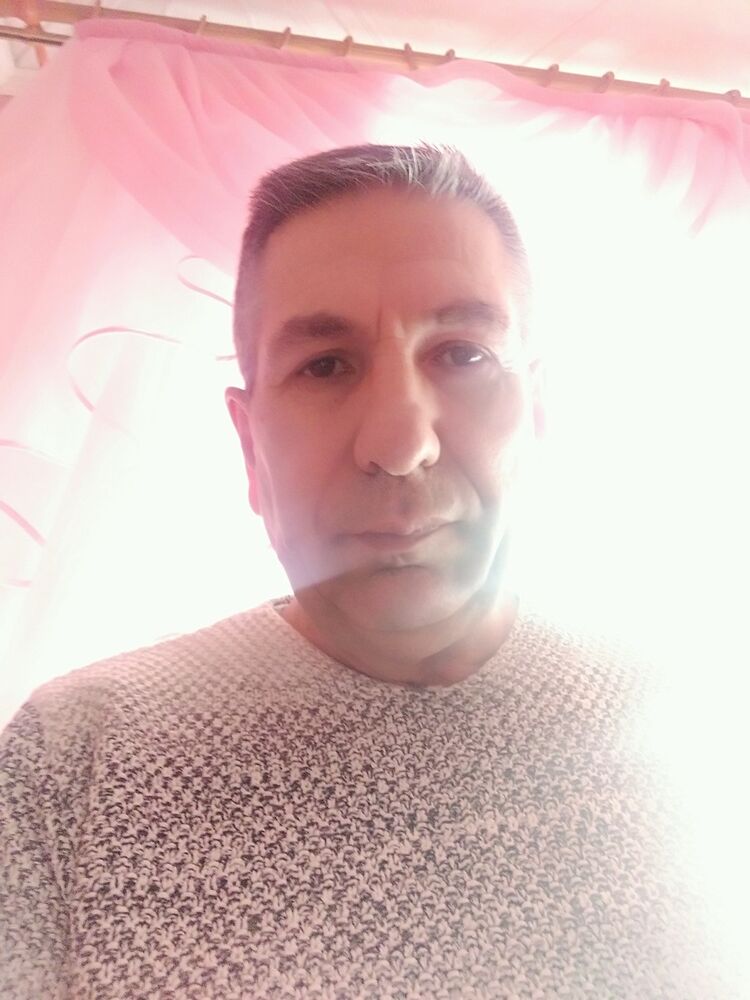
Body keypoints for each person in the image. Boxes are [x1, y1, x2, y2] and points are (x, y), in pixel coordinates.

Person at [0, 145, 733, 999]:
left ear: (535, 415)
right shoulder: (76, 758)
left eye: (462, 355)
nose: (399, 443)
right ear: (250, 446)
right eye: (325, 365)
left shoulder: (697, 734)